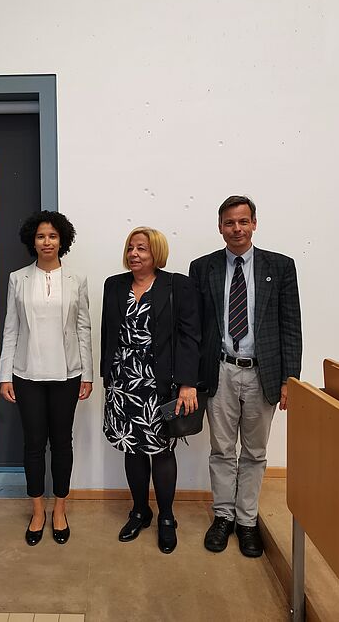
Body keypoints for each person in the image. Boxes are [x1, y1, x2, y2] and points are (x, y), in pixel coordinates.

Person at [189, 195, 302, 558]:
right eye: (229, 223)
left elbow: (290, 326)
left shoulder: (280, 267)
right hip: (219, 370)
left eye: (243, 222)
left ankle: (248, 520)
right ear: (219, 226)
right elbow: (193, 328)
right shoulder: (202, 267)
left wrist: (290, 379)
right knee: (222, 450)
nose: (236, 229)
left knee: (254, 452)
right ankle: (223, 517)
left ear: (254, 223)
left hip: (262, 373)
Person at [101, 227, 200, 554]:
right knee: (132, 448)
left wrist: (187, 383)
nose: (134, 254)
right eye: (130, 247)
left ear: (156, 252)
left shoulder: (176, 285)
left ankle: (167, 517)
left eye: (141, 248)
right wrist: (107, 375)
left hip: (159, 382)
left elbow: (189, 336)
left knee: (162, 451)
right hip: (123, 381)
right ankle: (140, 511)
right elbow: (107, 333)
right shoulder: (113, 285)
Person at [0, 210, 93, 546]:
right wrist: (4, 374)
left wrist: (88, 374)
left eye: (52, 236)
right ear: (32, 241)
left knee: (62, 442)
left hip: (68, 374)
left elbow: (84, 327)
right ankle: (38, 509)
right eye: (41, 236)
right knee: (34, 444)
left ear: (62, 240)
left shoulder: (76, 280)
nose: (47, 241)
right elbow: (11, 328)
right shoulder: (17, 279)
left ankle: (60, 509)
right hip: (27, 374)